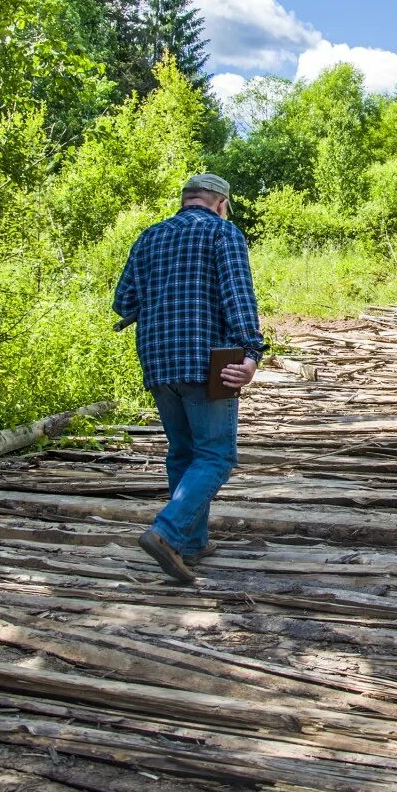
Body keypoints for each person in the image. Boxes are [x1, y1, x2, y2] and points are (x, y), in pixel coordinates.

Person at [113, 173, 266, 583]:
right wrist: (251, 354)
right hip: (208, 362)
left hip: (159, 362)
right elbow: (238, 296)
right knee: (216, 455)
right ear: (221, 203)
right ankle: (166, 532)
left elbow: (123, 301)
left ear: (186, 200)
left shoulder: (148, 238)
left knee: (183, 453)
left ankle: (192, 542)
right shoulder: (223, 233)